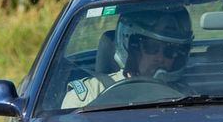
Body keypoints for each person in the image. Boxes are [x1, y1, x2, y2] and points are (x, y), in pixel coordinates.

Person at [61, 6, 193, 108]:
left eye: (170, 51)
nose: (160, 57)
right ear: (132, 49)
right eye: (151, 48)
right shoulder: (87, 96)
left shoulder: (186, 97)